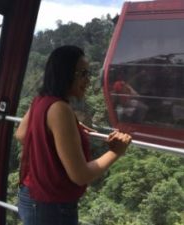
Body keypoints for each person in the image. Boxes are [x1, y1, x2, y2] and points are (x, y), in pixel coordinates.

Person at [15, 45, 132, 225]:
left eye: (88, 73)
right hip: (51, 207)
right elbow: (80, 175)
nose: (88, 80)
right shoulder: (60, 109)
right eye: (82, 74)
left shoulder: (41, 99)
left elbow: (22, 134)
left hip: (29, 196)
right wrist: (117, 151)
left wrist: (69, 129)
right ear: (65, 74)